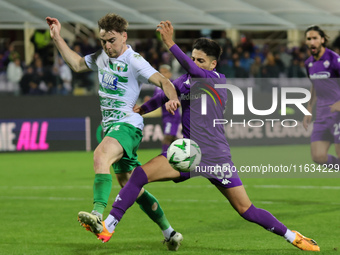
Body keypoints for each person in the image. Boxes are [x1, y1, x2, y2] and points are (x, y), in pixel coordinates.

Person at [82, 20, 320, 252]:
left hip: (216, 157)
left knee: (246, 209)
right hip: (188, 154)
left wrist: (170, 44)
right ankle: (108, 226)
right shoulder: (186, 81)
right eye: (193, 58)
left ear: (213, 64)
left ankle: (294, 237)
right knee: (139, 176)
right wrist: (143, 109)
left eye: (200, 60)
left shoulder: (215, 81)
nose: (194, 63)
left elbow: (191, 71)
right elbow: (164, 93)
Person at [46, 14, 183, 250]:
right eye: (103, 41)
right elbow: (77, 64)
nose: (107, 46)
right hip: (113, 126)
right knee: (130, 185)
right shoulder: (101, 56)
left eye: (111, 40)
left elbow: (164, 82)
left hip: (128, 124)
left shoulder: (134, 60)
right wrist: (57, 37)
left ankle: (97, 215)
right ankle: (170, 233)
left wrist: (171, 100)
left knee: (100, 156)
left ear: (123, 36)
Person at [303, 25, 340, 170]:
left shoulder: (334, 60)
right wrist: (309, 107)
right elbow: (315, 86)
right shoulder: (309, 64)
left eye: (315, 38)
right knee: (318, 156)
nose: (312, 42)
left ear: (322, 40)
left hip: (338, 115)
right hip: (322, 115)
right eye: (309, 39)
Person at [153, 64, 181, 153]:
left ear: (170, 74)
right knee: (172, 137)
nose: (163, 74)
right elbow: (156, 101)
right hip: (165, 116)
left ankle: (163, 157)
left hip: (173, 115)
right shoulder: (157, 87)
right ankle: (184, 153)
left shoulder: (174, 85)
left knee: (167, 137)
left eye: (165, 72)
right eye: (161, 72)